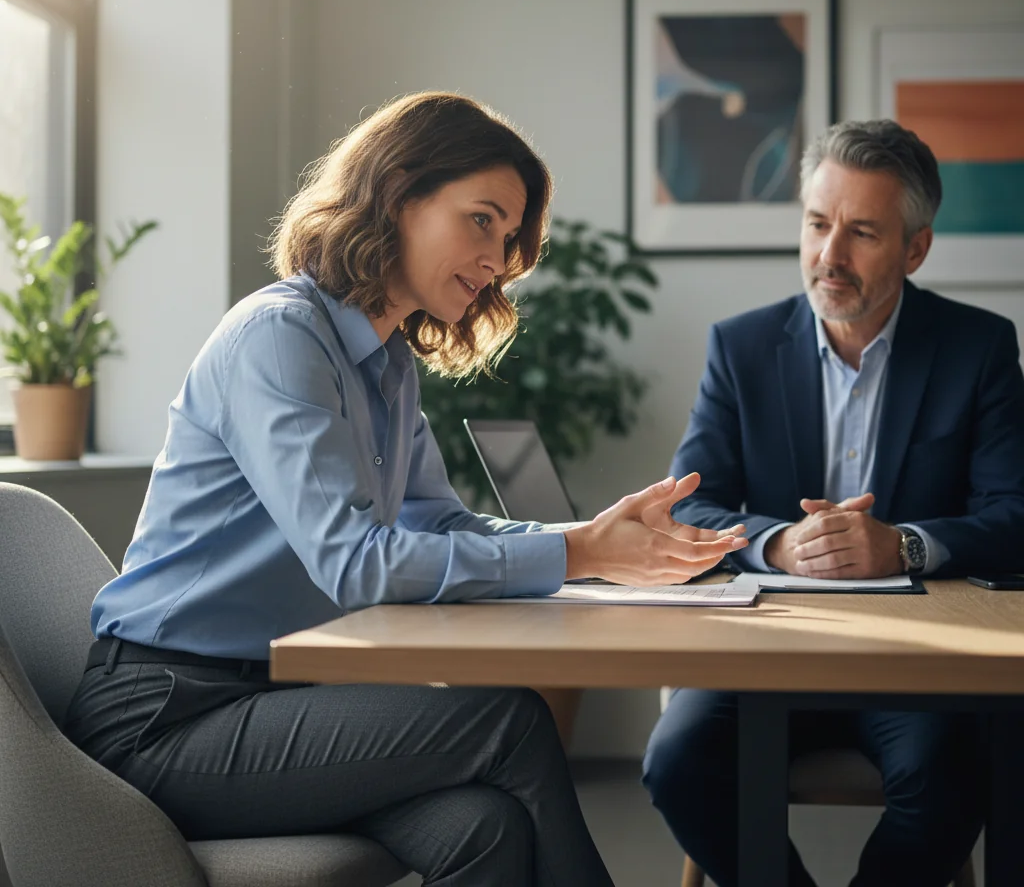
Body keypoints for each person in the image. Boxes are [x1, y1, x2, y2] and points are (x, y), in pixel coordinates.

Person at [63, 92, 745, 887]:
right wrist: (579, 554)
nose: (498, 260)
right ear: (397, 195)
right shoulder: (278, 337)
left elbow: (440, 524)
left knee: (484, 828)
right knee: (510, 719)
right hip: (164, 718)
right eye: (482, 220)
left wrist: (592, 542)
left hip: (272, 698)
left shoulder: (387, 364)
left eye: (510, 238)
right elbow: (356, 565)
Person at [643, 118, 1024, 887]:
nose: (830, 256)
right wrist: (778, 544)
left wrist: (902, 545)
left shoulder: (977, 347)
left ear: (915, 248)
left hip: (918, 656)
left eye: (862, 233)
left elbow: (1014, 517)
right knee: (678, 761)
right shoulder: (741, 348)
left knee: (957, 773)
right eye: (818, 225)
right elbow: (686, 509)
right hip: (767, 647)